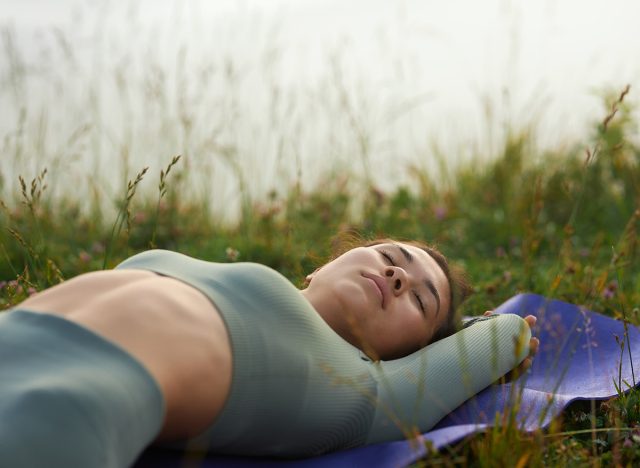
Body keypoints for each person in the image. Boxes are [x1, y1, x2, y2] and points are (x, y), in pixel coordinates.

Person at [0, 239, 538, 467]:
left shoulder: (351, 385)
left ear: (408, 355)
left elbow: (498, 335)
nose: (398, 275)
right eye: (389, 256)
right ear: (321, 268)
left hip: (60, 414)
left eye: (420, 300)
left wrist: (502, 334)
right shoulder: (237, 280)